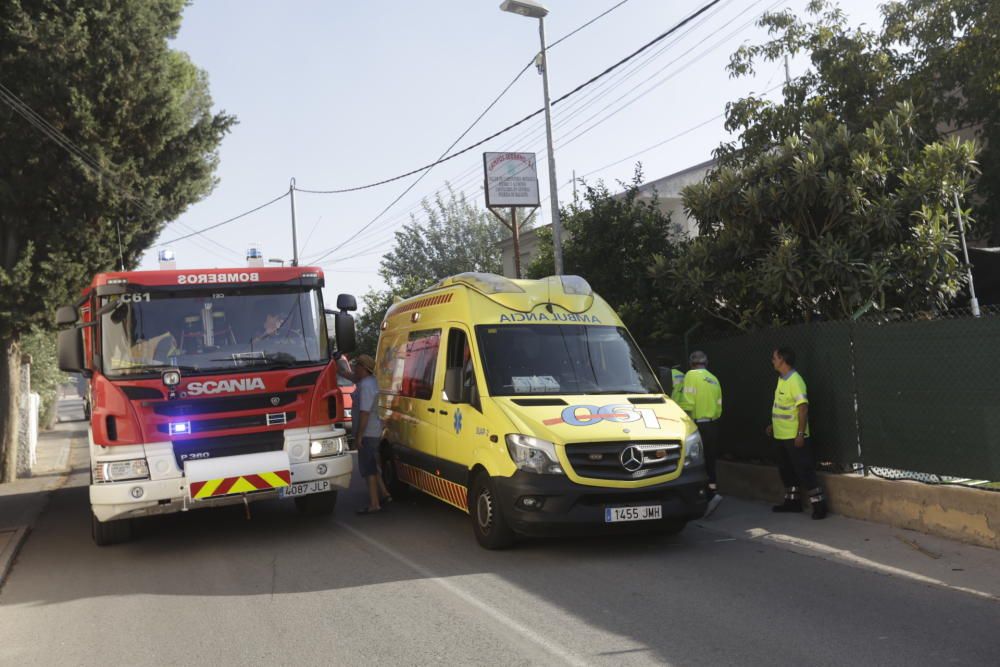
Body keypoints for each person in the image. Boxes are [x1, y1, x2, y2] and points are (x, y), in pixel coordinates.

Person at [767, 346, 827, 520]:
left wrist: (800, 434)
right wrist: (773, 425)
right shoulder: (782, 379)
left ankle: (819, 506)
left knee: (805, 470)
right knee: (786, 470)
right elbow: (782, 406)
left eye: (775, 358)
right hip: (781, 435)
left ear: (782, 360)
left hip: (794, 437)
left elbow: (803, 409)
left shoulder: (795, 380)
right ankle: (792, 502)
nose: (773, 361)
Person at [677, 350, 723, 517]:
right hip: (713, 424)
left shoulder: (690, 375)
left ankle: (703, 498)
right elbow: (718, 408)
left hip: (698, 426)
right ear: (706, 362)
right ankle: (713, 492)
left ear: (691, 363)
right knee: (710, 461)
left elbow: (688, 402)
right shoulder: (714, 379)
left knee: (696, 463)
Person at [351, 353, 392, 514]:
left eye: (357, 366)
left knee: (369, 469)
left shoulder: (366, 386)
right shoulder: (369, 381)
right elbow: (351, 376)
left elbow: (364, 412)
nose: (355, 368)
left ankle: (374, 503)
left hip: (368, 432)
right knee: (373, 465)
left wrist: (359, 435)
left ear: (363, 368)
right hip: (373, 430)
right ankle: (384, 494)